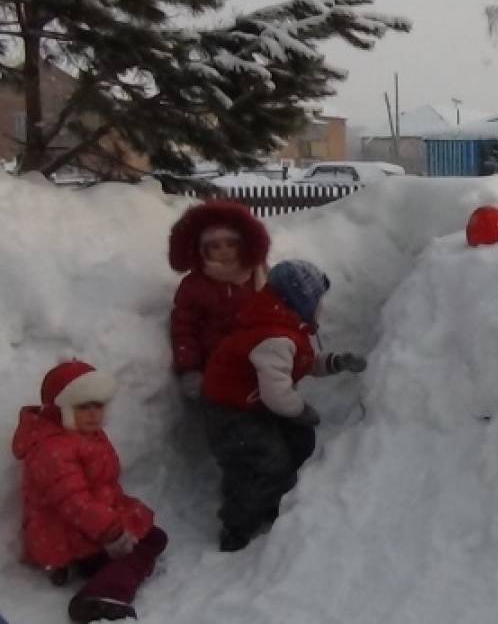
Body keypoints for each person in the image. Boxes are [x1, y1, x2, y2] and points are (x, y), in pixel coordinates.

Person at [201, 259, 368, 552]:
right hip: (230, 414)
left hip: (253, 405)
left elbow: (302, 364)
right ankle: (237, 526)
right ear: (299, 301)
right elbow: (276, 393)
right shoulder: (274, 336)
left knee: (299, 440)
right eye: (317, 302)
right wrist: (301, 411)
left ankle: (274, 497)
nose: (321, 308)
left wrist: (336, 362)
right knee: (265, 462)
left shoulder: (286, 328)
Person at [12, 361, 168, 622]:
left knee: (153, 537)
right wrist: (113, 531)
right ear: (60, 408)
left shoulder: (85, 435)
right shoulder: (52, 449)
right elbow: (74, 502)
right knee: (143, 547)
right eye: (83, 407)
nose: (94, 414)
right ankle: (100, 595)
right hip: (65, 533)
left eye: (98, 405)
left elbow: (99, 486)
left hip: (89, 523)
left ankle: (87, 569)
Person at [168, 200, 271, 398]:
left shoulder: (259, 275)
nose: (224, 251)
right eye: (215, 246)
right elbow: (184, 329)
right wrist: (190, 369)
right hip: (216, 369)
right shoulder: (195, 286)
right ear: (203, 251)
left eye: (231, 244)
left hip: (258, 365)